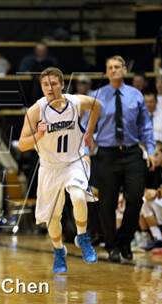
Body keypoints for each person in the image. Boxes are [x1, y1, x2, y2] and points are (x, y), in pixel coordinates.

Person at [18, 67, 101, 273]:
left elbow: (97, 105)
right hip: (50, 167)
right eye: (45, 85)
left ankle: (82, 236)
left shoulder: (75, 101)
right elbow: (22, 144)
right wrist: (37, 135)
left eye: (54, 84)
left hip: (75, 161)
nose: (50, 88)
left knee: (79, 196)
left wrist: (89, 132)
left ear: (62, 84)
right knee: (52, 219)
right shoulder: (36, 110)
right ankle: (59, 251)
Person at [95, 55, 155, 263]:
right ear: (106, 72)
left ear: (124, 70)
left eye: (117, 67)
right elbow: (86, 126)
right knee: (107, 203)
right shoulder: (97, 96)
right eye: (110, 67)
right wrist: (89, 146)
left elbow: (145, 125)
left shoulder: (135, 95)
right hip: (106, 154)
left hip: (131, 153)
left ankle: (125, 240)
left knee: (136, 198)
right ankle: (112, 246)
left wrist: (151, 150)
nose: (114, 70)